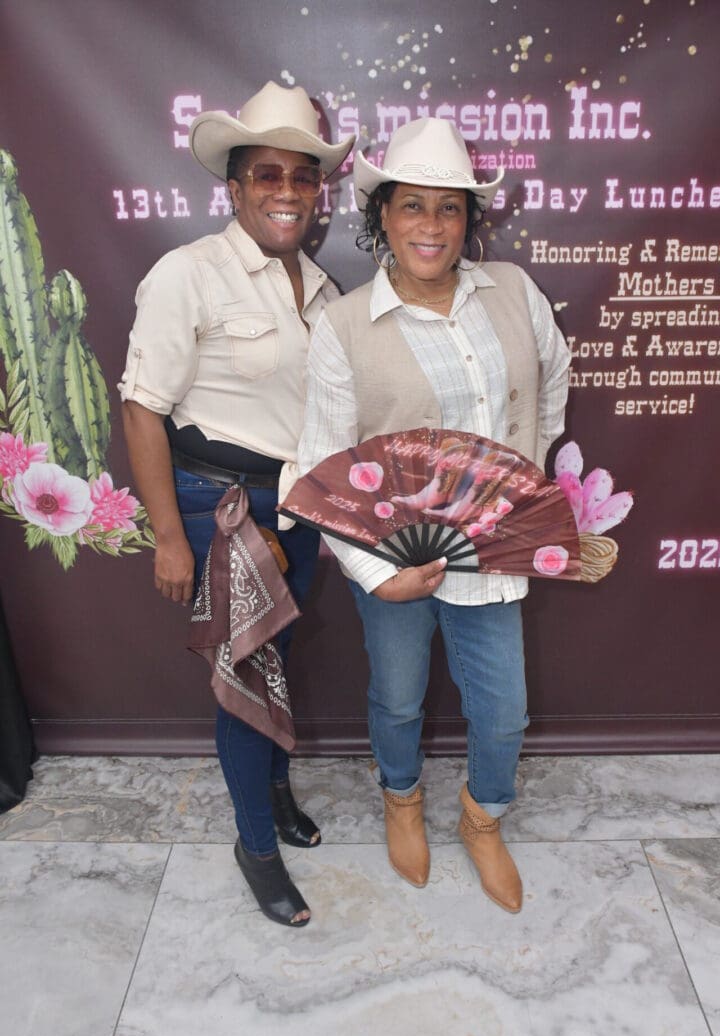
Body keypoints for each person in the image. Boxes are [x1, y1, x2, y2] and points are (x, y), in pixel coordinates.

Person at [299, 117, 570, 914]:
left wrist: (528, 482)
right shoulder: (344, 327)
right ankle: (402, 800)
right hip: (394, 564)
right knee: (398, 698)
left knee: (504, 714)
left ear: (468, 219)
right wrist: (378, 574)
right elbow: (324, 464)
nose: (430, 226)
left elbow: (551, 380)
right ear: (380, 215)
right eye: (411, 206)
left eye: (448, 208)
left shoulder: (514, 291)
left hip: (493, 558)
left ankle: (484, 821)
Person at [119, 81, 354, 927]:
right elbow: (141, 407)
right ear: (235, 186)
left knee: (274, 661)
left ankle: (275, 796)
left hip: (294, 510)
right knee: (246, 678)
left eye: (302, 176)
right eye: (267, 175)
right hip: (217, 511)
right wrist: (166, 538)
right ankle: (257, 845)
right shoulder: (189, 273)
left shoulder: (319, 288)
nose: (286, 192)